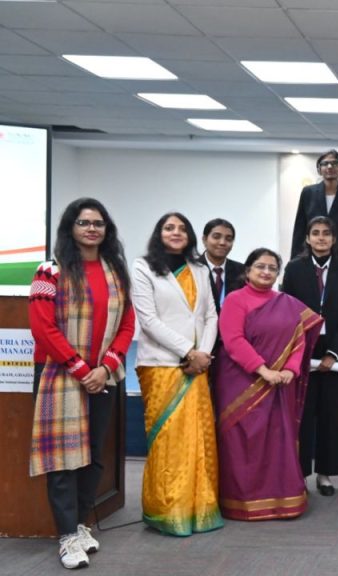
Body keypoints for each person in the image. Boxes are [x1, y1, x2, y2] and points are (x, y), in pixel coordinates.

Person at [28, 198, 135, 569]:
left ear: (107, 230)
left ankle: (81, 524)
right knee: (62, 460)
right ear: (70, 228)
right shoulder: (50, 270)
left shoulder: (115, 272)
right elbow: (42, 327)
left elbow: (127, 325)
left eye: (98, 223)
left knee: (92, 455)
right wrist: (79, 368)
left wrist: (105, 367)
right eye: (84, 222)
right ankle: (67, 537)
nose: (92, 229)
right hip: (59, 376)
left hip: (102, 376)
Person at [215, 248, 323, 520]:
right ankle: (242, 502)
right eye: (260, 266)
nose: (266, 272)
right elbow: (233, 341)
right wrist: (263, 370)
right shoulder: (235, 300)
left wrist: (290, 369)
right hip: (240, 383)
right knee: (243, 441)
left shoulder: (288, 303)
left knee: (277, 440)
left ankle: (281, 500)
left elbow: (300, 339)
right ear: (248, 271)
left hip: (279, 386)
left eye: (272, 268)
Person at [132, 212, 222, 536]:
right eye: (169, 227)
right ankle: (167, 510)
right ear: (159, 233)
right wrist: (188, 351)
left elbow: (211, 316)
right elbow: (148, 320)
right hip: (161, 365)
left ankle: (199, 509)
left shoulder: (199, 268)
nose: (176, 232)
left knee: (199, 438)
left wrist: (203, 355)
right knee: (169, 440)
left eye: (182, 228)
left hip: (197, 366)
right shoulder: (143, 267)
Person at [280, 217, 338, 497]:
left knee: (331, 416)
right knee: (302, 416)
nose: (321, 238)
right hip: (302, 349)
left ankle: (325, 475)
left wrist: (333, 353)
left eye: (326, 233)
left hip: (334, 351)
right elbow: (286, 311)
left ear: (334, 239)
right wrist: (299, 350)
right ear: (307, 238)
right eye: (316, 233)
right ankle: (299, 475)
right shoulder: (294, 269)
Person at [291, 149, 338, 265]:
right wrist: (294, 261)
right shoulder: (308, 193)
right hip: (310, 258)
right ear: (319, 169)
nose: (330, 166)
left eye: (335, 163)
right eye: (325, 163)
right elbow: (300, 230)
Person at [200, 218, 244, 314]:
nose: (222, 242)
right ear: (204, 239)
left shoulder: (242, 271)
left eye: (228, 239)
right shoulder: (192, 269)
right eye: (216, 237)